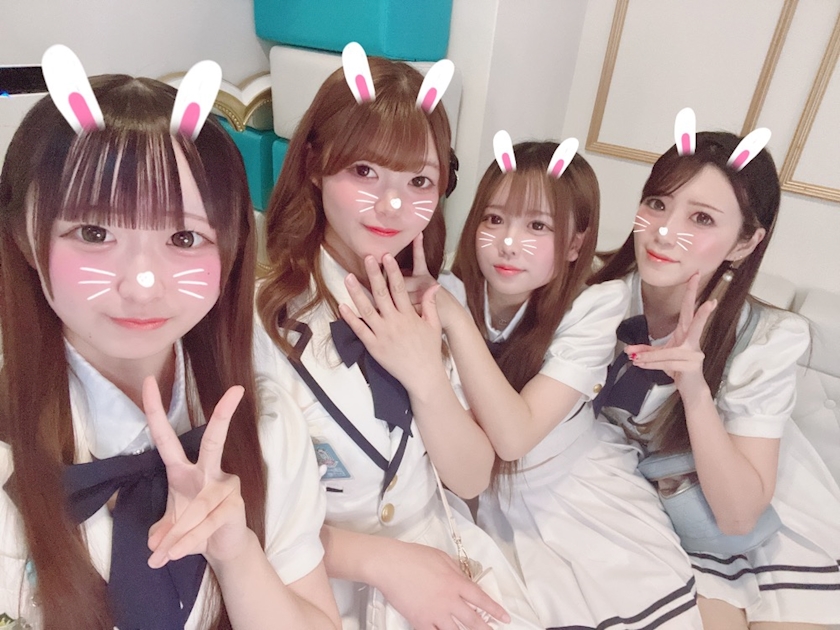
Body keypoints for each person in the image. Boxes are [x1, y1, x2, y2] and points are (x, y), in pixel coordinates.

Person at [0, 46, 339, 630]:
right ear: (25, 238)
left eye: (184, 238)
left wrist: (238, 555)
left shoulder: (266, 427)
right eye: (94, 231)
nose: (142, 283)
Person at [347, 135, 703, 628]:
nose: (509, 244)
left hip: (571, 489)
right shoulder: (447, 291)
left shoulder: (592, 306)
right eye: (494, 219)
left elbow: (514, 437)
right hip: (479, 499)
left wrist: (456, 320)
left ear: (575, 243)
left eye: (538, 225)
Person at [255, 44, 541, 629]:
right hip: (320, 589)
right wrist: (385, 562)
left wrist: (426, 376)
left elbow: (470, 477)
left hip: (447, 561)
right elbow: (248, 514)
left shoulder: (434, 299)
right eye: (365, 171)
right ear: (314, 164)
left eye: (419, 180)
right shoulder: (256, 319)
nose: (393, 205)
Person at [590, 120, 840, 629]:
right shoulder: (591, 296)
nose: (664, 231)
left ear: (744, 244)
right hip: (644, 501)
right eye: (657, 204)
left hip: (747, 505)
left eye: (701, 218)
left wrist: (696, 392)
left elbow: (740, 516)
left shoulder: (766, 339)